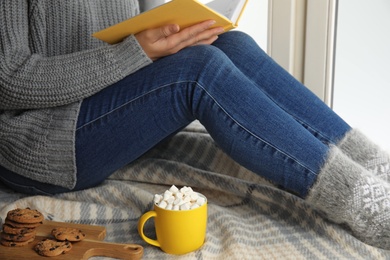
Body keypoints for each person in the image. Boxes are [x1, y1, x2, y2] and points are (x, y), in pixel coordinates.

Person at [0, 0, 389, 251]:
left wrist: (175, 31)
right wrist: (136, 52)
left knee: (230, 45)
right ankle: (373, 210)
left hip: (103, 104)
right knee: (198, 72)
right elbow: (9, 80)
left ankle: (377, 169)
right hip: (44, 140)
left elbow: (126, 29)